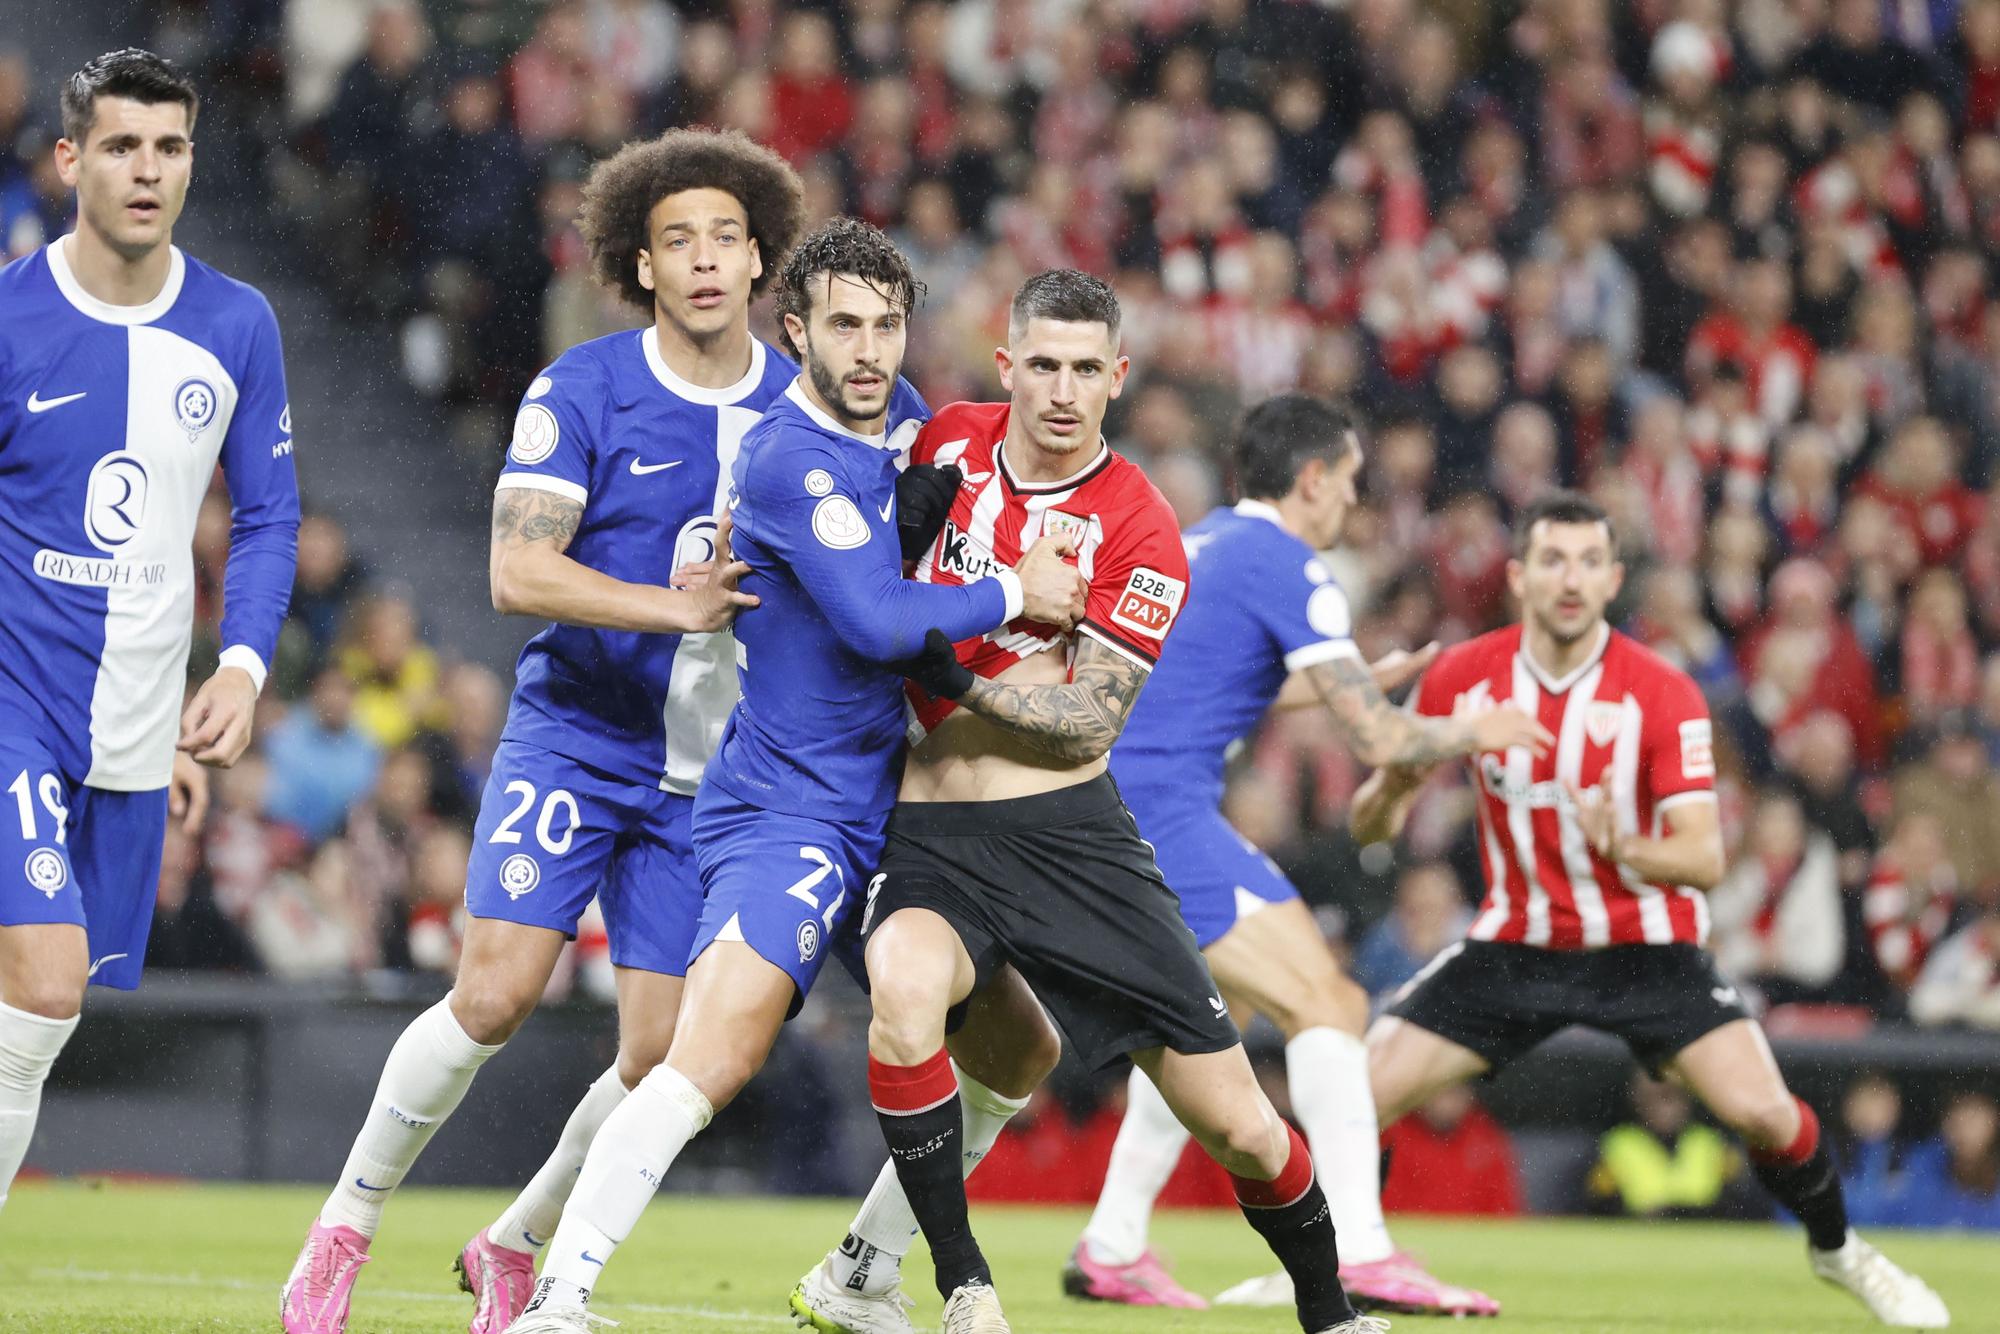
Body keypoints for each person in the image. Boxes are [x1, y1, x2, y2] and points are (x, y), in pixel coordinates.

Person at [791, 286, 1411, 1334]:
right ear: (1006, 365)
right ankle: (958, 1285)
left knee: (1244, 1128)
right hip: (931, 833)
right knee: (902, 997)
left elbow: (1085, 721)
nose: (1063, 390)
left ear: (1117, 377)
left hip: (1074, 841)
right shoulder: (938, 443)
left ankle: (1327, 1308)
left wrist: (950, 668)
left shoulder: (1141, 527)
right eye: (1044, 365)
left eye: (1086, 369)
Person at [503, 219, 1084, 1333]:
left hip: (893, 811)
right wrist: (1016, 591)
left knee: (1019, 1045)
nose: (870, 351)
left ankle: (861, 1270)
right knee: (710, 1051)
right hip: (788, 804)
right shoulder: (784, 455)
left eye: (887, 325)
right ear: (797, 331)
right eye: (844, 326)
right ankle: (555, 1293)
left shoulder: (909, 427)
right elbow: (871, 620)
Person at [282, 127, 808, 1333]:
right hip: (578, 733)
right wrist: (666, 606)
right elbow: (517, 570)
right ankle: (344, 1224)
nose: (708, 260)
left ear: (760, 253)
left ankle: (513, 1243)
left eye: (728, 236)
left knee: (661, 1051)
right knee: (494, 992)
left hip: (707, 775)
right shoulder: (583, 387)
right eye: (678, 240)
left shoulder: (805, 403)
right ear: (638, 263)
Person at [1349, 490, 1951, 1329]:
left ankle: (1840, 1250)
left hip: (1644, 947)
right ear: (1520, 575)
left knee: (1766, 1113)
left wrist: (1622, 845)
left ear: (1612, 578)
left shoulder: (1660, 691)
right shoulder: (1462, 675)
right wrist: (1415, 759)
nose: (1571, 578)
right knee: (1353, 1093)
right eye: (1553, 559)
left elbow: (1703, 857)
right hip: (1516, 942)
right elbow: (1370, 824)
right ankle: (1345, 1260)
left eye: (1589, 561)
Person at [1052, 395, 1548, 1317]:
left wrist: (1346, 683)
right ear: (1313, 479)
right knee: (1330, 1000)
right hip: (1159, 812)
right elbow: (1382, 745)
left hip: (1105, 802)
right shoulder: (1292, 563)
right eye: (1351, 482)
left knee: (1206, 1020)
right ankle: (1358, 1245)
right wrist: (1476, 725)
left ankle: (1113, 1243)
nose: (1353, 500)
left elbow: (1200, 682)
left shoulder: (1201, 543)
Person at [0, 48, 298, 1212]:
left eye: (169, 147)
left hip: (129, 720)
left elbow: (269, 512)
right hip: (13, 699)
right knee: (45, 979)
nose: (146, 170)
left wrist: (238, 665)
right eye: (121, 145)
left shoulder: (238, 322)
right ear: (70, 157)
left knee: (37, 1000)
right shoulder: (12, 316)